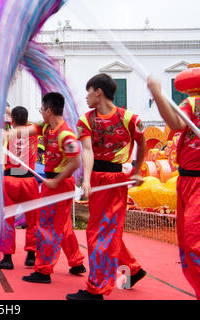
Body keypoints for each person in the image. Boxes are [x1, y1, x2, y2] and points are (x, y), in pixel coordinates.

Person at [67, 73, 147, 300]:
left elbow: (142, 143)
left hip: (116, 180)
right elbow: (88, 151)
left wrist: (139, 170)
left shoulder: (130, 119)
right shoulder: (85, 120)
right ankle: (132, 268)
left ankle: (98, 289)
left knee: (100, 233)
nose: (86, 97)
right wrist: (87, 180)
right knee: (107, 230)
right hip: (98, 179)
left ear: (98, 92)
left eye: (88, 92)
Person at [22, 92, 86, 284]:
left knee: (48, 228)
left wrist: (56, 180)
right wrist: (6, 133)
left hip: (58, 185)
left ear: (49, 110)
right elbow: (28, 130)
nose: (41, 113)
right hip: (55, 185)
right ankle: (76, 262)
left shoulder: (65, 134)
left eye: (41, 109)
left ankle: (43, 270)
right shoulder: (48, 129)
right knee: (62, 224)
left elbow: (75, 162)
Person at [147, 67, 200, 299]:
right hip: (187, 179)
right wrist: (158, 94)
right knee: (188, 245)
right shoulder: (194, 103)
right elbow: (178, 124)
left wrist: (158, 94)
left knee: (193, 240)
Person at [0, 106, 40, 270]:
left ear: (12, 120)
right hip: (29, 180)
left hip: (10, 180)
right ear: (27, 120)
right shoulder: (32, 132)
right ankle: (32, 256)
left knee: (8, 220)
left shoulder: (5, 135)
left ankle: (7, 258)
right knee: (33, 220)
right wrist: (10, 112)